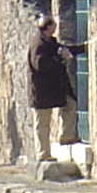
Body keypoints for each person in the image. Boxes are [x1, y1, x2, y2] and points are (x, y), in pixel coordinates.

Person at [27, 16, 77, 171]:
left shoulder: (48, 42)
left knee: (70, 104)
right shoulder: (38, 45)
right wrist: (59, 57)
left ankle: (66, 136)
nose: (55, 30)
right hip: (42, 91)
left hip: (53, 89)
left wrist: (81, 49)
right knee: (42, 123)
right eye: (53, 27)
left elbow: (61, 49)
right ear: (47, 28)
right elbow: (40, 65)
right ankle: (43, 153)